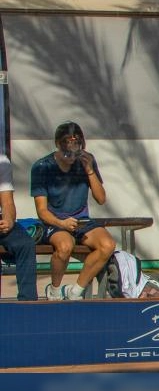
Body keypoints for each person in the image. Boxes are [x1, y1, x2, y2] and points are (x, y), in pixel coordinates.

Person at [30, 121, 116, 300]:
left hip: (81, 220)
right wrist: (61, 223)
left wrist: (90, 170)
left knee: (107, 245)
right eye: (66, 148)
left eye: (75, 147)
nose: (70, 155)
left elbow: (101, 199)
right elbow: (42, 211)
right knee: (64, 246)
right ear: (57, 145)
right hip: (54, 220)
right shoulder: (42, 167)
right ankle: (54, 289)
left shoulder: (87, 160)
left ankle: (75, 290)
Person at [0, 152, 39, 301]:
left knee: (25, 243)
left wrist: (9, 221)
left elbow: (7, 202)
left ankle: (28, 302)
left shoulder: (2, 161)